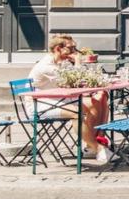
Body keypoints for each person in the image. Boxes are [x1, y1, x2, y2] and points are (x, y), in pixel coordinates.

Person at [29, 34, 110, 165]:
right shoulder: (46, 66)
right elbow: (76, 81)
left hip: (58, 101)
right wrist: (78, 62)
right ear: (57, 49)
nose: (74, 52)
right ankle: (98, 148)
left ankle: (94, 144)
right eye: (71, 48)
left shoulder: (60, 63)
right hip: (41, 105)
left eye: (75, 48)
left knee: (97, 100)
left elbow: (77, 81)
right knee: (77, 113)